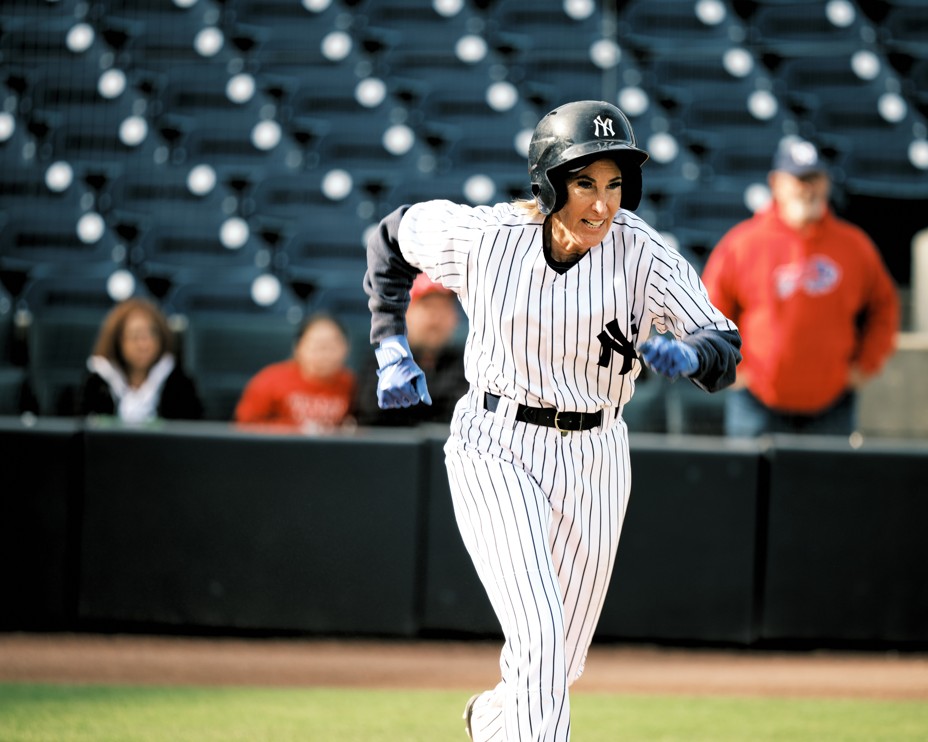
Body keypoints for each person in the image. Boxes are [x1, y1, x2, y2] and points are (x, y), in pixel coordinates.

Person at [363, 100, 741, 742]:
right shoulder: (486, 238)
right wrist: (389, 343)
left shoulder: (641, 254)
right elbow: (391, 235)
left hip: (596, 454)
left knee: (559, 663)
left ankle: (494, 719)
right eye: (585, 182)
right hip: (495, 441)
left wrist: (693, 353)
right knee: (539, 637)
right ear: (547, 181)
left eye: (615, 183)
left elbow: (723, 346)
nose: (602, 203)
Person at [702, 136, 899, 437]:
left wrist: (867, 363)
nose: (807, 188)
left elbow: (883, 305)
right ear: (777, 183)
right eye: (798, 178)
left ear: (827, 182)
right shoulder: (743, 244)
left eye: (814, 178)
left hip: (832, 407)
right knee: (751, 485)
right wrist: (734, 369)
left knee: (828, 486)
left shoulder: (854, 246)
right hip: (757, 406)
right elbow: (706, 311)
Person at [355, 272, 467, 427]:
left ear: (455, 318)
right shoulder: (381, 361)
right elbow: (372, 415)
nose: (436, 318)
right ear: (404, 314)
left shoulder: (468, 365)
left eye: (444, 308)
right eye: (427, 307)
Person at [78, 297, 203, 422]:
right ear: (118, 341)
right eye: (135, 336)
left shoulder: (180, 385)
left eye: (151, 335)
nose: (143, 345)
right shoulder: (95, 383)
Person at [234, 312, 356, 431]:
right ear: (298, 348)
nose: (324, 354)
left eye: (332, 346)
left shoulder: (352, 384)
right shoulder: (270, 380)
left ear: (346, 348)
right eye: (317, 346)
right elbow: (244, 426)